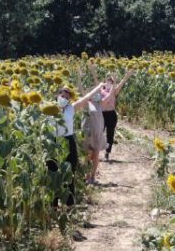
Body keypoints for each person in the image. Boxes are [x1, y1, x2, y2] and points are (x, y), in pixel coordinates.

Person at [48, 75, 105, 204]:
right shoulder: (49, 108)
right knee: (52, 173)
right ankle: (53, 204)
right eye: (62, 96)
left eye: (67, 98)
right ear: (57, 95)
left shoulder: (71, 109)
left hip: (68, 142)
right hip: (53, 142)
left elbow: (85, 98)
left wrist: (98, 87)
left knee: (69, 173)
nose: (64, 99)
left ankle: (69, 204)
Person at [89, 65, 135, 162]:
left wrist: (127, 75)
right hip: (102, 115)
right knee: (99, 133)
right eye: (108, 81)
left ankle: (107, 153)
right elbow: (96, 81)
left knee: (110, 134)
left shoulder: (114, 91)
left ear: (113, 83)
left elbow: (122, 82)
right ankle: (95, 152)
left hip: (111, 115)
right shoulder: (101, 91)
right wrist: (93, 71)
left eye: (111, 81)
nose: (109, 82)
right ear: (105, 82)